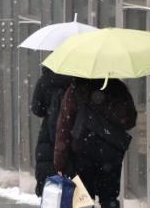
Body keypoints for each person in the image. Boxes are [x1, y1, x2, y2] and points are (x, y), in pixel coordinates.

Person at [54, 78, 137, 208]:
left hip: (82, 152)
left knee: (83, 199)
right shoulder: (118, 89)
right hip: (110, 153)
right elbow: (130, 120)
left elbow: (64, 127)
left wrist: (60, 161)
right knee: (109, 198)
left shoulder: (75, 90)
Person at [30, 66, 72, 196]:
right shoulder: (77, 80)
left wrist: (51, 110)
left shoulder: (45, 79)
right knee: (76, 187)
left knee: (51, 187)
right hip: (72, 133)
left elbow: (37, 109)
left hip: (49, 135)